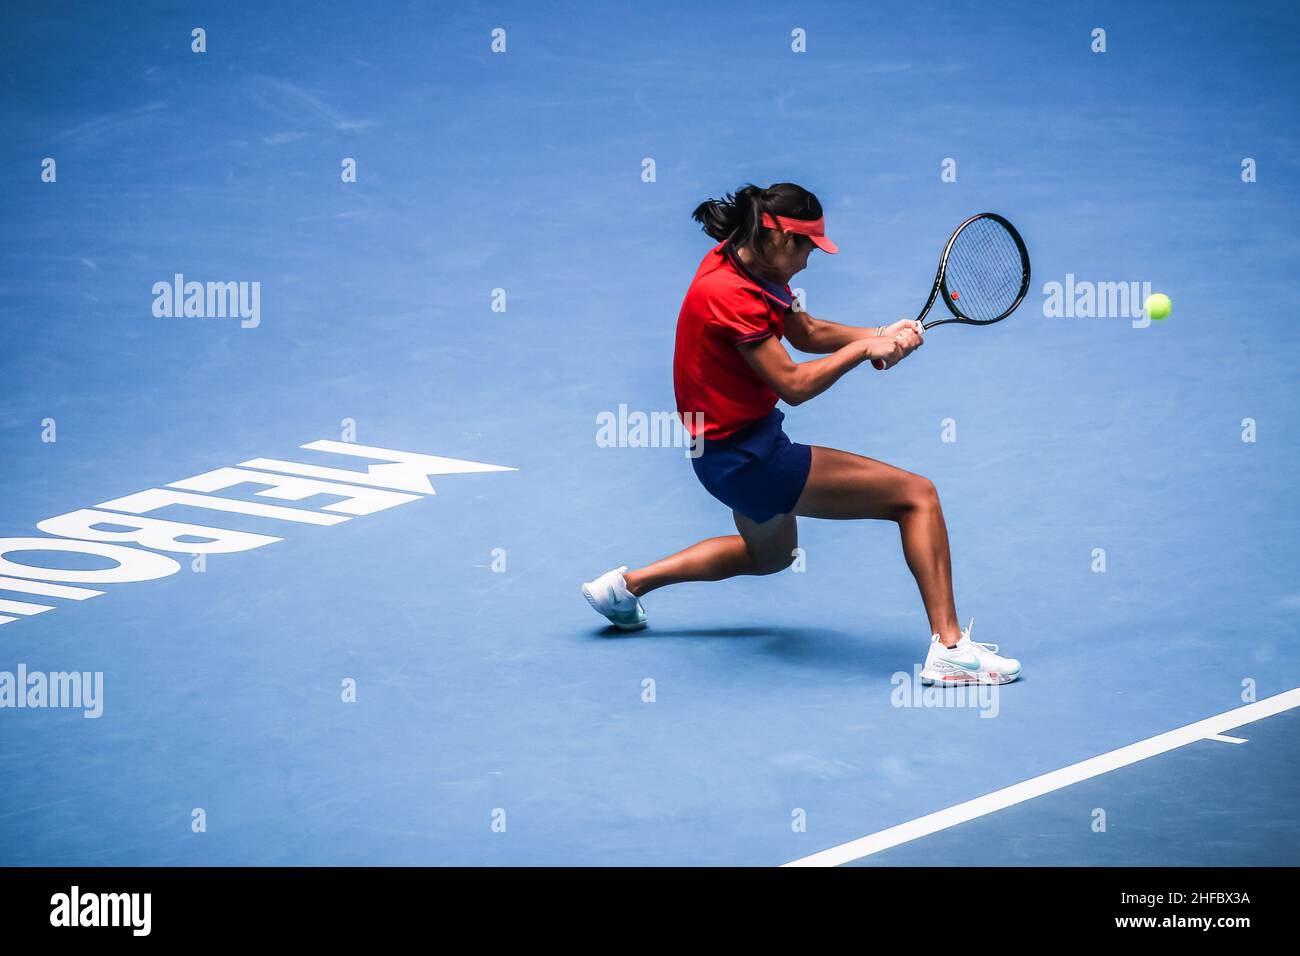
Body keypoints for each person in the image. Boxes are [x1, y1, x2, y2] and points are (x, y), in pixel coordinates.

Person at [582, 183, 1020, 685]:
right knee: (917, 497)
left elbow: (805, 331)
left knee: (769, 555)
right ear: (783, 236)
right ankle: (949, 650)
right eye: (809, 247)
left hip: (719, 460)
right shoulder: (730, 295)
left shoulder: (738, 260)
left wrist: (876, 333)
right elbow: (792, 384)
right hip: (753, 458)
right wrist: (863, 352)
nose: (811, 261)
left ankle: (624, 588)